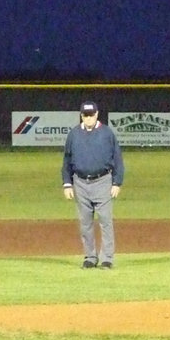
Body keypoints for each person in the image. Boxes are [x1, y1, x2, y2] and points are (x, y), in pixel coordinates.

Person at [61, 101, 123, 269]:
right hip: (80, 182)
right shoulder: (74, 134)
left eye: (91, 114)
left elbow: (117, 159)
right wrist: (67, 183)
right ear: (81, 115)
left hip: (103, 181)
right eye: (85, 115)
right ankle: (90, 257)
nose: (88, 118)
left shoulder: (107, 133)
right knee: (85, 223)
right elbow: (67, 160)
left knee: (105, 220)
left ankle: (107, 258)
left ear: (97, 114)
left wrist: (117, 182)